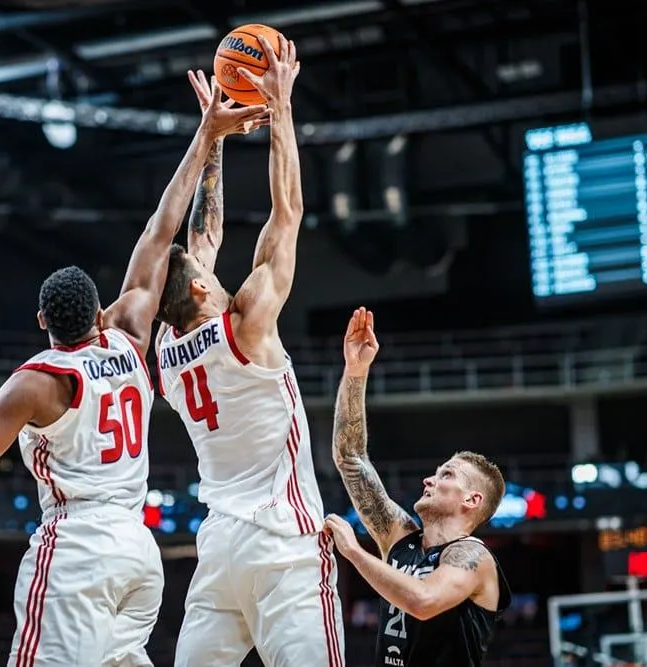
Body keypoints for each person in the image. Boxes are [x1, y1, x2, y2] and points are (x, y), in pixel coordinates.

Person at [0, 81, 271, 667]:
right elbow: (160, 229)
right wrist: (206, 135)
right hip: (139, 554)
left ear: (42, 320)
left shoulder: (34, 384)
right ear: (98, 312)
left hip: (78, 551)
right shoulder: (129, 333)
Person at [155, 38, 345, 667]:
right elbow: (287, 212)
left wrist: (213, 134)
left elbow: (200, 236)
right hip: (283, 544)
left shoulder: (167, 347)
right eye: (203, 272)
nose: (208, 265)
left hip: (219, 550)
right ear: (200, 288)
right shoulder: (248, 326)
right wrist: (279, 105)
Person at [324, 307, 512, 667]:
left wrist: (354, 552)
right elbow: (350, 457)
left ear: (472, 500)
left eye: (447, 476)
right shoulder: (401, 539)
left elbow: (424, 602)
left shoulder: (472, 557)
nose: (430, 479)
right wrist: (356, 370)